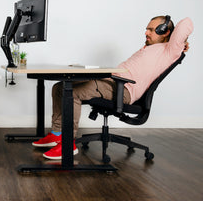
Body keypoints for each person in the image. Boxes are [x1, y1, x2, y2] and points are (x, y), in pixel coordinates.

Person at [33, 16, 193, 160]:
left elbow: (187, 22)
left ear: (165, 31)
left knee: (72, 92)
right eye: (147, 29)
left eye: (152, 29)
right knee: (59, 87)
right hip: (110, 82)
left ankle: (68, 145)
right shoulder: (148, 48)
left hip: (123, 91)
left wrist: (178, 41)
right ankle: (56, 134)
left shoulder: (170, 50)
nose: (146, 32)